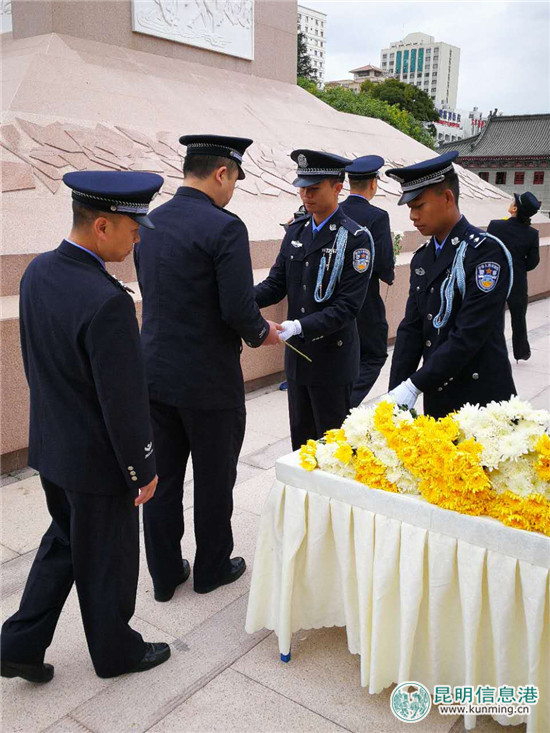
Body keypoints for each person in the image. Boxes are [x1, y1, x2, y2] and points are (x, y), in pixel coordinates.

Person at [1, 171, 170, 683]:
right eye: (133, 227)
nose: (138, 237)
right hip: (97, 462)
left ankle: (19, 643)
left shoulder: (38, 273)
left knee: (66, 543)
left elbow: (36, 364)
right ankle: (117, 652)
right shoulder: (108, 301)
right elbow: (123, 403)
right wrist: (143, 469)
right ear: (101, 226)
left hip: (53, 447)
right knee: (110, 561)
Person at [135, 134, 281, 601]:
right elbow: (238, 309)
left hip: (154, 374)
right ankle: (212, 567)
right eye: (234, 179)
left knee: (162, 481)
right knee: (216, 477)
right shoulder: (225, 228)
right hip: (209, 381)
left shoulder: (149, 223)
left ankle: (163, 573)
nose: (233, 189)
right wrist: (264, 333)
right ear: (222, 172)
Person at [255, 149, 374, 450]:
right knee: (303, 448)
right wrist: (240, 299)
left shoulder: (355, 239)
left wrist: (299, 327)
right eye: (302, 187)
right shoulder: (296, 231)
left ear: (337, 188)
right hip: (298, 360)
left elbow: (347, 307)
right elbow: (274, 284)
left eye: (314, 188)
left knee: (334, 451)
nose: (305, 195)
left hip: (332, 360)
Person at [387, 151, 516, 419]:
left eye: (419, 206)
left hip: (480, 400)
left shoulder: (485, 253)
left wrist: (415, 384)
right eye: (410, 208)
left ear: (447, 198)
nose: (412, 216)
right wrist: (397, 391)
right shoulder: (423, 257)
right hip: (438, 394)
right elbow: (412, 328)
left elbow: (469, 333)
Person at [341, 155, 395, 407]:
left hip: (331, 298)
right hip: (363, 298)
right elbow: (382, 262)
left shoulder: (333, 210)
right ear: (373, 184)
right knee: (373, 355)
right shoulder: (377, 216)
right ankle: (345, 405)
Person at [487, 192, 541, 362]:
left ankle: (490, 350)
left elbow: (487, 251)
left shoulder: (495, 226)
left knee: (492, 316)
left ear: (515, 208)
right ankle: (521, 352)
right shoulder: (532, 233)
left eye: (513, 201)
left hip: (494, 277)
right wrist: (517, 268)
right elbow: (533, 262)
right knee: (519, 317)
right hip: (517, 280)